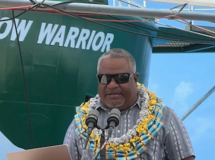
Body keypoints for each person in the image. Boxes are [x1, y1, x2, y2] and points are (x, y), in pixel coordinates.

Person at [63, 48, 195, 160]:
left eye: (121, 78)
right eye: (105, 79)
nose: (112, 85)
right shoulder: (82, 122)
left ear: (135, 78)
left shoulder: (163, 117)